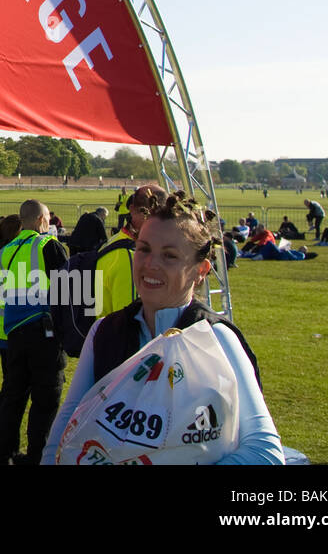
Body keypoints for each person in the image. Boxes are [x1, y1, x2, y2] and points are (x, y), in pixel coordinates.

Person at [43, 192, 283, 464]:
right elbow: (67, 425)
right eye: (143, 249)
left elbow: (265, 451)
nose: (150, 264)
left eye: (169, 256)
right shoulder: (104, 333)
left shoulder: (218, 338)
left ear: (201, 270)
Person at [0, 199, 68, 465]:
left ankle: (3, 453)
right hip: (44, 331)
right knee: (46, 397)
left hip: (14, 332)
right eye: (47, 218)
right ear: (39, 220)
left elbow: (4, 296)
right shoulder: (48, 245)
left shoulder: (4, 252)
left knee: (13, 396)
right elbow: (65, 290)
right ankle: (38, 455)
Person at [96, 185, 166, 320]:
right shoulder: (130, 256)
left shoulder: (117, 240)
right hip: (114, 337)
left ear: (131, 208)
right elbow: (129, 321)